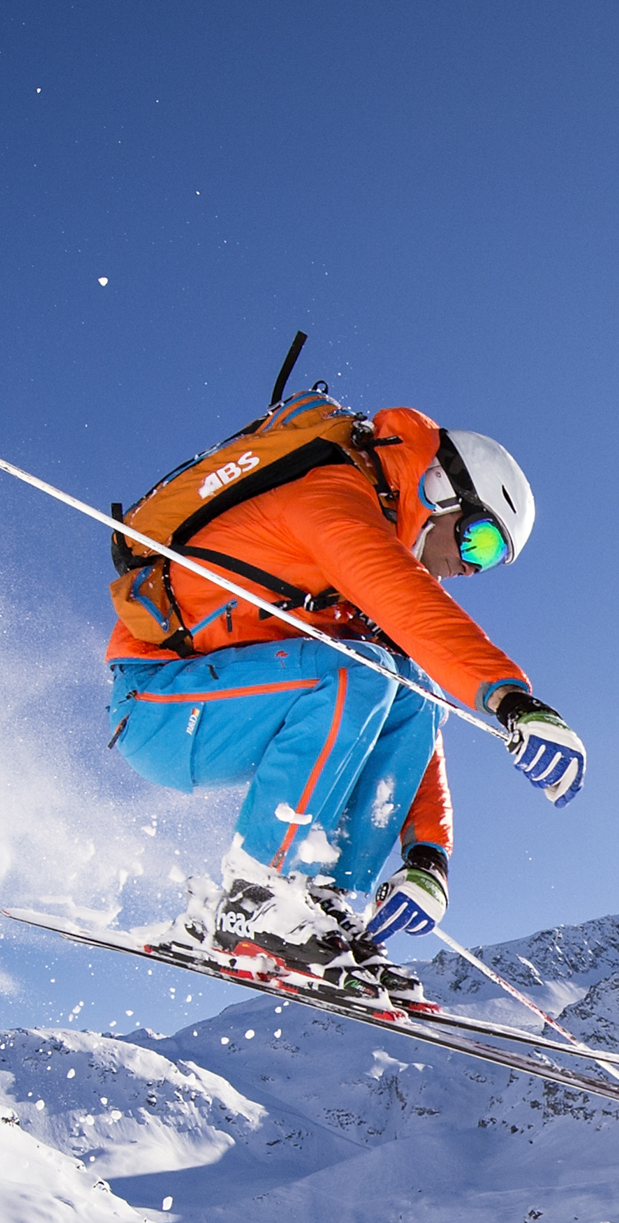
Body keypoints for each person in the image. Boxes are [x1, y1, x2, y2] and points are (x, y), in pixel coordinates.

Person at [103, 404, 585, 1004]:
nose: (469, 565)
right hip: (160, 703)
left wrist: (427, 858)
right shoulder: (330, 496)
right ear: (439, 489)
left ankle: (314, 903)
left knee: (410, 689)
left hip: (231, 704)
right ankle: (256, 897)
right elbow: (408, 605)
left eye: (490, 560)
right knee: (365, 670)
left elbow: (415, 701)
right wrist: (511, 699)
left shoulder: (368, 552)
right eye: (479, 537)